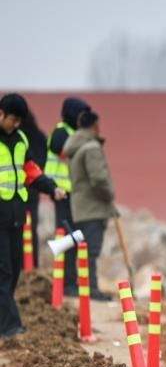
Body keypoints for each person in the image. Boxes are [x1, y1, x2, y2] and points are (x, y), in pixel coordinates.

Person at [0, 94, 63, 337]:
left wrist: (51, 187)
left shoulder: (21, 139)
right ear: (2, 114)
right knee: (3, 272)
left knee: (14, 270)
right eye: (12, 120)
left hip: (16, 217)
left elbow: (30, 171)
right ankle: (11, 327)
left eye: (19, 121)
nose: (15, 125)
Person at [63, 110, 116, 302]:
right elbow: (99, 179)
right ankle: (92, 289)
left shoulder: (75, 147)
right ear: (94, 125)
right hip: (94, 207)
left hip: (80, 207)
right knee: (92, 251)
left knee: (85, 250)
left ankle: (86, 286)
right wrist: (109, 195)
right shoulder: (91, 148)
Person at [46, 97, 90, 295]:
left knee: (76, 238)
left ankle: (72, 281)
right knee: (67, 237)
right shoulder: (60, 132)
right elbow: (63, 151)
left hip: (75, 195)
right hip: (62, 193)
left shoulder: (76, 133)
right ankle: (65, 283)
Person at [20, 109, 49, 262]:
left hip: (18, 190)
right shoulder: (40, 137)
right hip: (33, 188)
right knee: (31, 228)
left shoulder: (17, 138)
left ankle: (23, 267)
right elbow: (42, 163)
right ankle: (32, 264)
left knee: (16, 230)